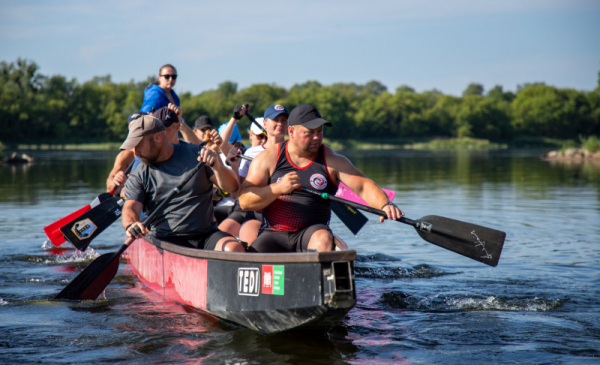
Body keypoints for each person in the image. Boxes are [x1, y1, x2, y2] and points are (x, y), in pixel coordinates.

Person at [239, 104, 403, 253]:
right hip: (274, 233)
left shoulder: (332, 160)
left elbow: (363, 186)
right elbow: (244, 201)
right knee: (254, 253)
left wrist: (385, 204)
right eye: (309, 133)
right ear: (291, 132)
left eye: (320, 131)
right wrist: (277, 188)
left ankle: (315, 276)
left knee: (323, 239)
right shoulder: (268, 158)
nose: (317, 137)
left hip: (312, 233)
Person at [120, 114, 244, 252]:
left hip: (206, 235)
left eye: (139, 145)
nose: (136, 153)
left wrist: (217, 167)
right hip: (166, 239)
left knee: (234, 248)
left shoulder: (197, 154)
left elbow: (233, 187)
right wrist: (131, 224)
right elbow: (130, 207)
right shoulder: (139, 173)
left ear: (157, 138)